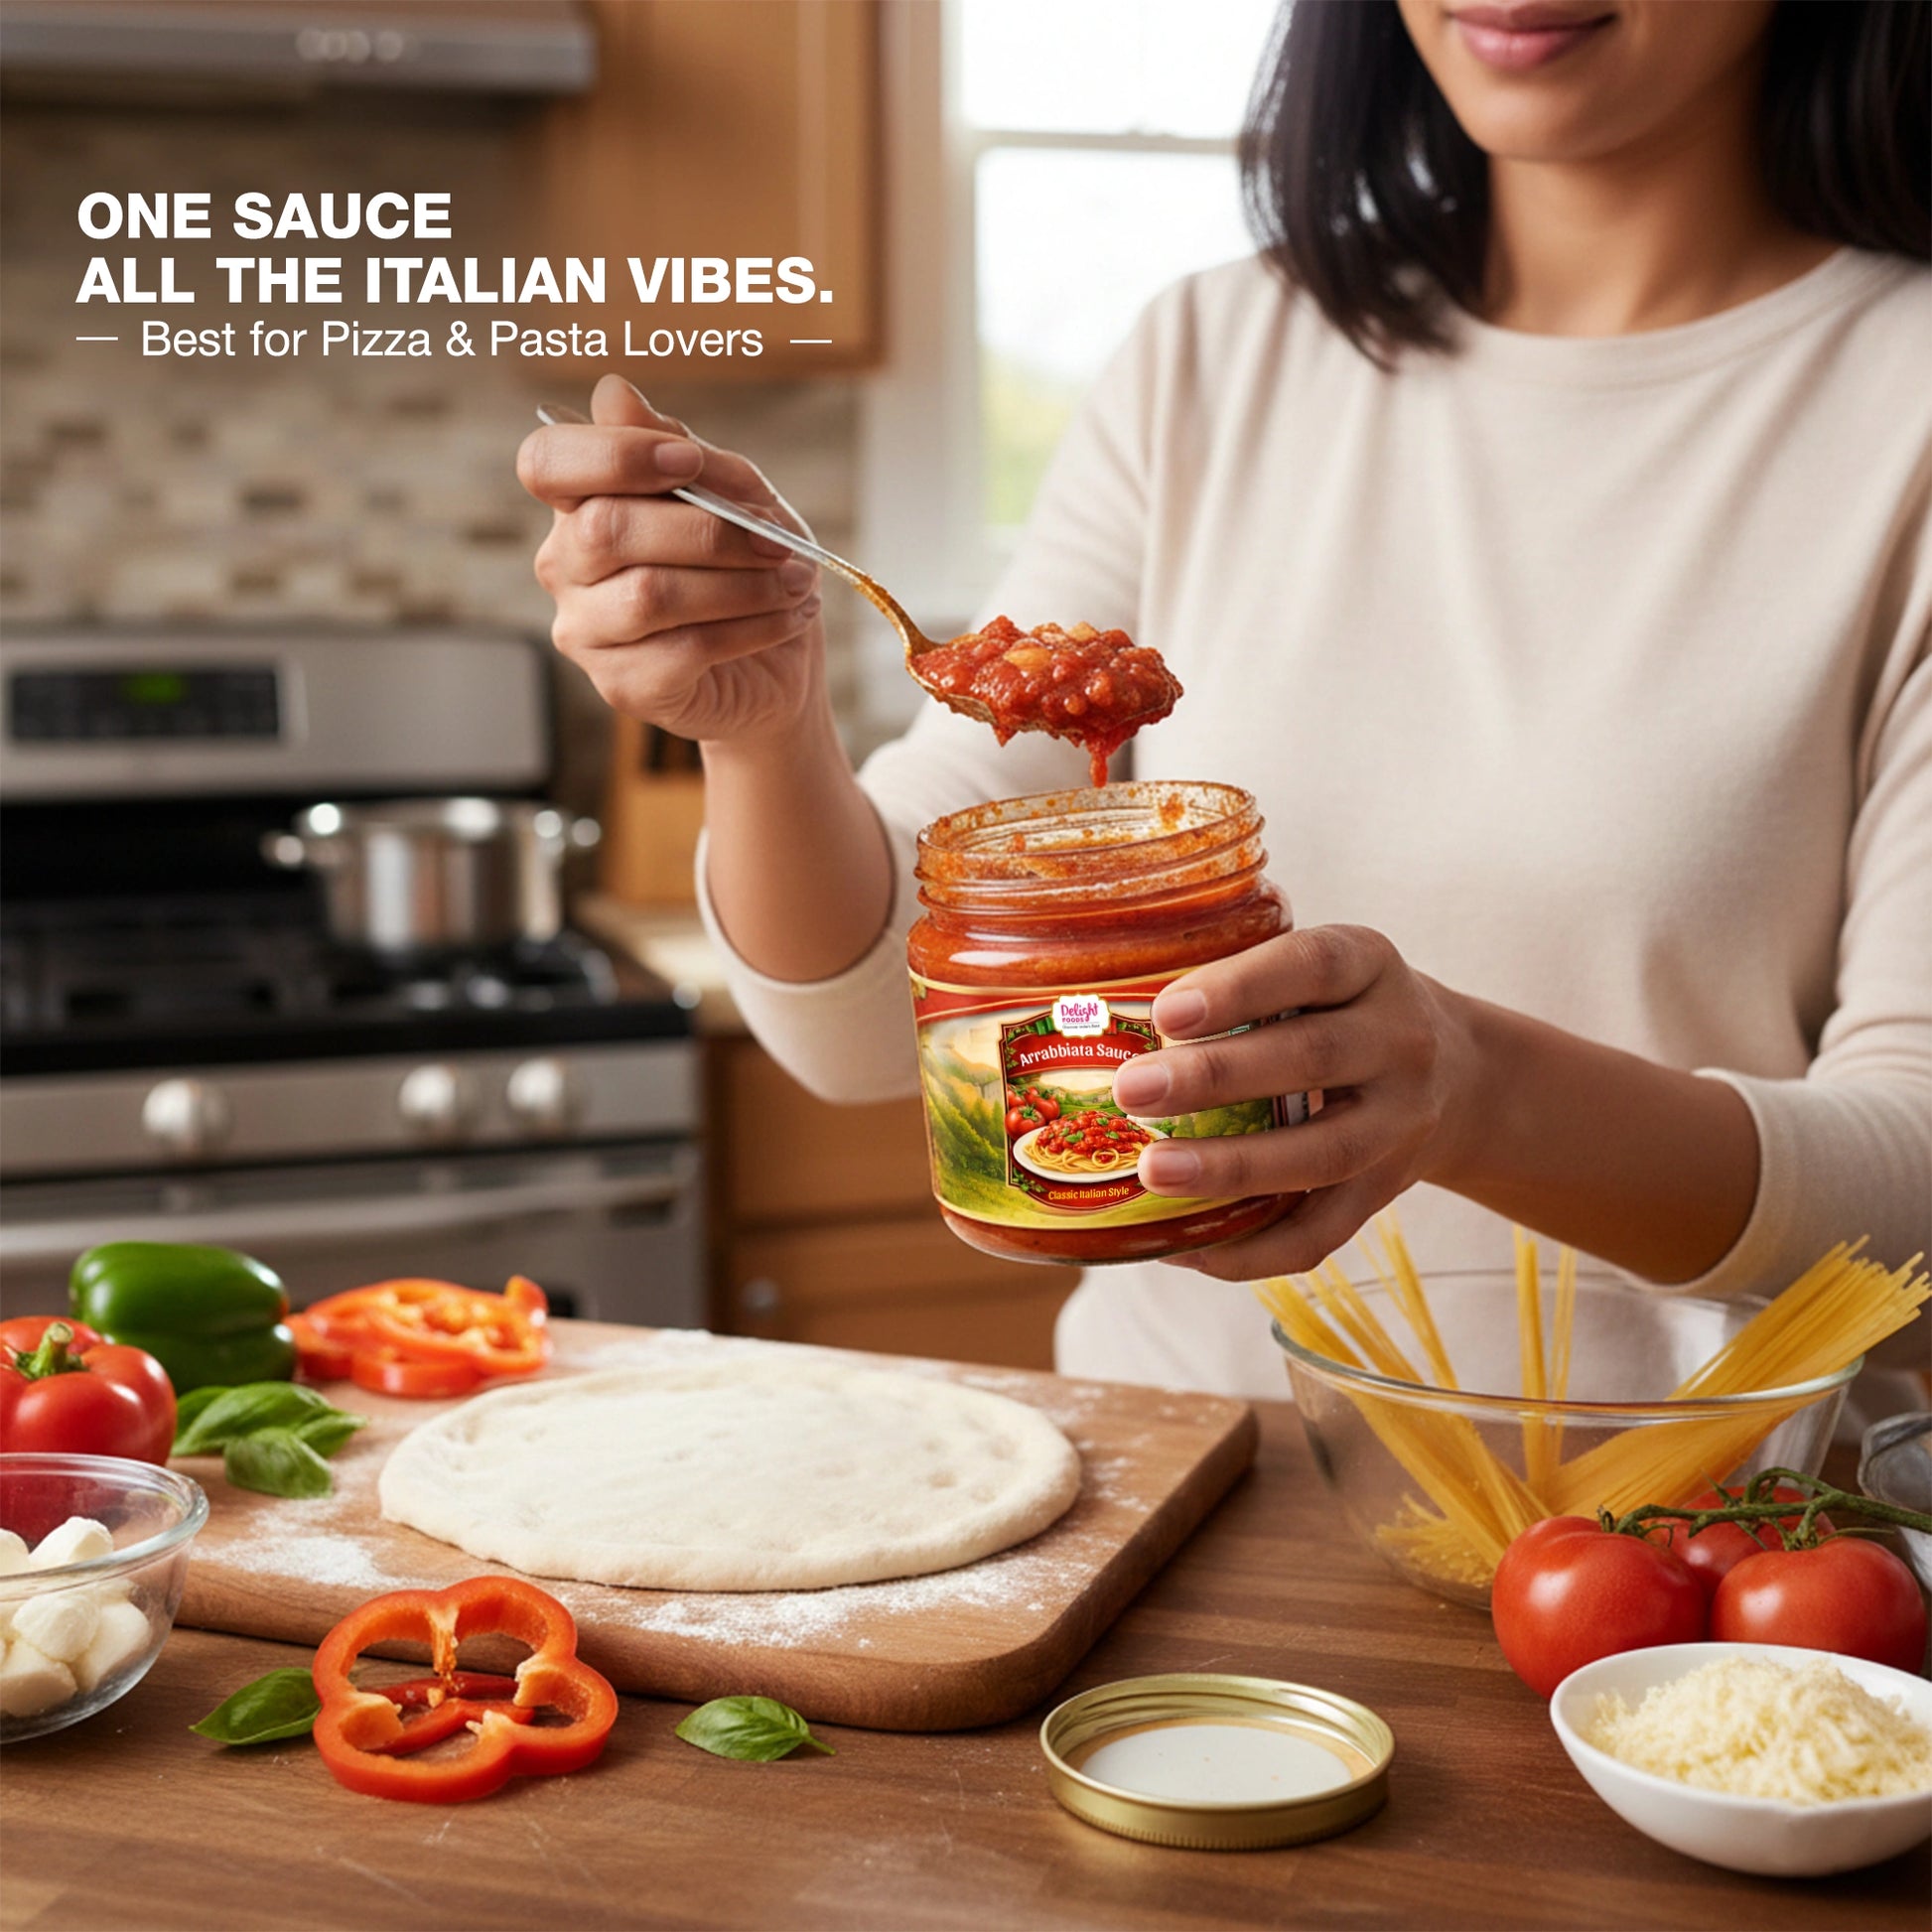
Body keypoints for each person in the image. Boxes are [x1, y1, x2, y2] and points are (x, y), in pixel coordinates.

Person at [518, 0, 1931, 1398]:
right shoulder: (1211, 355)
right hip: (1187, 1500)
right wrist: (765, 737)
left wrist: (1476, 1092)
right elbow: (875, 1024)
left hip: (1692, 1570)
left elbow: (1912, 1201)